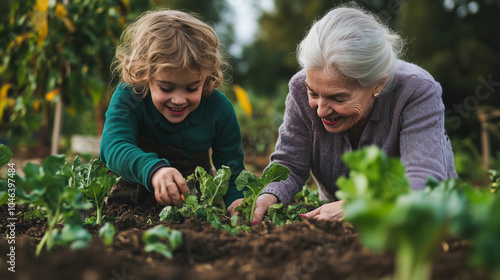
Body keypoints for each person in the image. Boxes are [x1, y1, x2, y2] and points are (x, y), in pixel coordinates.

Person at [252, 4, 458, 223]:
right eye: (313, 92)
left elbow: (423, 181)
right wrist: (269, 194)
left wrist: (360, 206)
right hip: (336, 227)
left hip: (419, 225)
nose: (321, 110)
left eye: (338, 98)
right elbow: (289, 163)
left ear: (378, 84)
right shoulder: (299, 88)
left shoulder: (416, 91)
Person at [100, 10, 244, 214]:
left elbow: (231, 167)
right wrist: (154, 171)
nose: (178, 100)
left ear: (207, 76)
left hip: (193, 208)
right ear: (144, 75)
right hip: (129, 204)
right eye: (166, 88)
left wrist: (237, 200)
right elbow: (113, 146)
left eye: (192, 88)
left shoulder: (219, 109)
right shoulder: (129, 97)